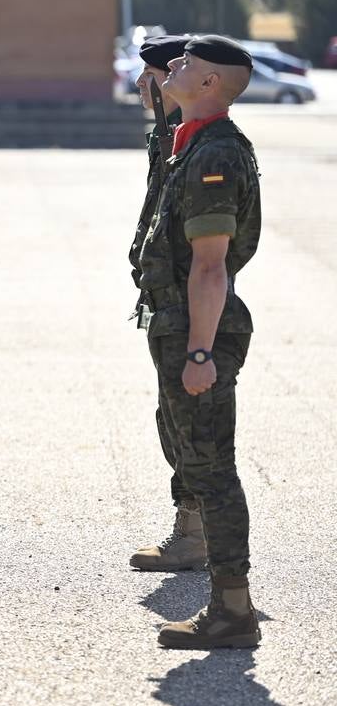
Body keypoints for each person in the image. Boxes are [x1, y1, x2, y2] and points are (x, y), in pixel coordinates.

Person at [137, 35, 262, 649]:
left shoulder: (216, 154)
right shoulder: (191, 144)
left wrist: (200, 352)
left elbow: (211, 266)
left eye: (185, 64)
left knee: (212, 469)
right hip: (182, 323)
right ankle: (229, 605)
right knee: (202, 463)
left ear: (210, 83)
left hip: (197, 326)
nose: (173, 67)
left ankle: (232, 611)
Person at [126, 34, 205, 573]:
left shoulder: (197, 142)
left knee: (191, 420)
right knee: (172, 417)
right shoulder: (167, 136)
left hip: (186, 301)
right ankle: (194, 528)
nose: (140, 83)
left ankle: (199, 534)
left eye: (150, 73)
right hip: (166, 299)